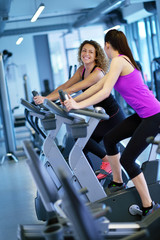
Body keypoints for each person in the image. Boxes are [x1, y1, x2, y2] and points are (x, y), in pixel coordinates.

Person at [64, 29, 160, 216]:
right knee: (109, 139)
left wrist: (77, 104)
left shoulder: (118, 61)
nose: (105, 51)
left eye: (104, 47)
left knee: (128, 160)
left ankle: (149, 206)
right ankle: (118, 181)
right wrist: (74, 100)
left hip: (154, 115)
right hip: (143, 114)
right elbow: (97, 86)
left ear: (108, 45)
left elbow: (105, 92)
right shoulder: (120, 62)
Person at [34, 40, 125, 180]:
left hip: (112, 116)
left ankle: (107, 160)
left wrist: (47, 99)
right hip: (101, 115)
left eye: (90, 52)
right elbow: (65, 86)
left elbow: (72, 89)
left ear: (96, 56)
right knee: (80, 144)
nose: (86, 54)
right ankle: (88, 178)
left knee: (82, 138)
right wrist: (46, 98)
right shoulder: (81, 70)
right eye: (84, 50)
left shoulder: (97, 73)